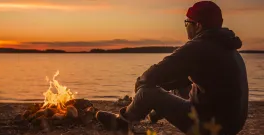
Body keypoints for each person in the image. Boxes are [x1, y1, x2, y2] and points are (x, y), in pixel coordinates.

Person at [96, 1, 248, 134]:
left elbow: (152, 75)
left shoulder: (198, 46)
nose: (186, 26)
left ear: (198, 25)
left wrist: (141, 87)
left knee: (146, 93)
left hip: (210, 127)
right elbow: (178, 78)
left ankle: (122, 123)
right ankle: (155, 113)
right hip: (231, 124)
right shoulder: (228, 47)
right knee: (181, 84)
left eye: (187, 22)